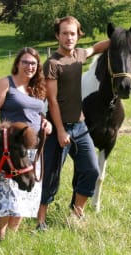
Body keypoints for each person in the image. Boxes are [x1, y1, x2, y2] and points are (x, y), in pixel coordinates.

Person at [36, 16, 110, 231]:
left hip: (80, 127)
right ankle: (41, 220)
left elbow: (96, 48)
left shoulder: (79, 55)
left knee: (91, 170)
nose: (69, 37)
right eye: (65, 33)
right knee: (51, 175)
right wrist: (59, 130)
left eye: (73, 33)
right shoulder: (52, 64)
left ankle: (77, 214)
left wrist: (119, 39)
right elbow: (52, 101)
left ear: (78, 35)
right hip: (58, 127)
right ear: (57, 35)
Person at [0, 47, 52, 240]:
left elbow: (39, 114)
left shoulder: (38, 87)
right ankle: (0, 236)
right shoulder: (6, 84)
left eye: (33, 63)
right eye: (25, 62)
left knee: (25, 194)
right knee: (5, 193)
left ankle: (11, 237)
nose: (29, 66)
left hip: (34, 149)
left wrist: (47, 124)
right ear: (17, 63)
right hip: (10, 150)